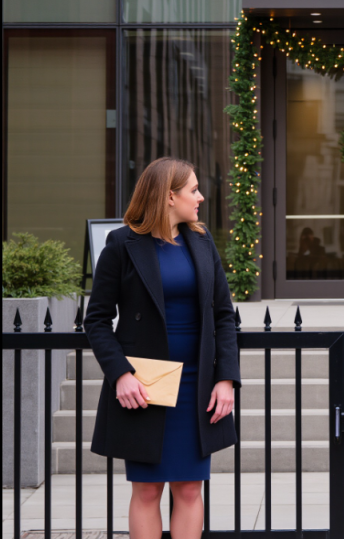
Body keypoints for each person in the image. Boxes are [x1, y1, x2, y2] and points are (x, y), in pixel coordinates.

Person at [84, 157, 240, 539]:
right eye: (193, 190)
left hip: (197, 382)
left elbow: (224, 316)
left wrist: (226, 379)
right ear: (169, 197)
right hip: (146, 383)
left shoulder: (201, 240)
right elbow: (97, 319)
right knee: (147, 488)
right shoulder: (122, 244)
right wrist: (121, 374)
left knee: (190, 487)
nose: (200, 197)